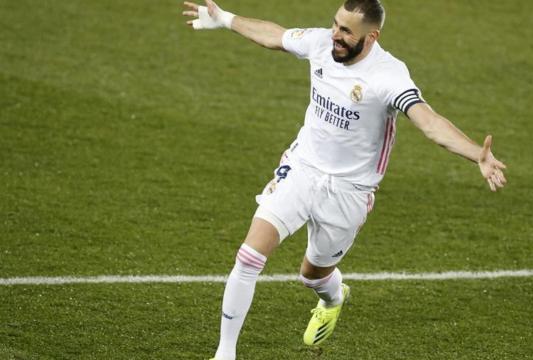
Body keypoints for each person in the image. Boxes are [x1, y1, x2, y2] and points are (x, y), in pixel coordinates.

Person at [182, 0, 507, 359]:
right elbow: (275, 36)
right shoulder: (322, 43)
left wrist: (476, 152)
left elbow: (428, 121)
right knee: (248, 257)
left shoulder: (388, 75)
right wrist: (224, 19)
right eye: (336, 25)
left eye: (346, 31)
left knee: (313, 275)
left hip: (350, 191)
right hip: (302, 169)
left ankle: (334, 298)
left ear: (372, 36)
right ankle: (224, 353)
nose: (336, 35)